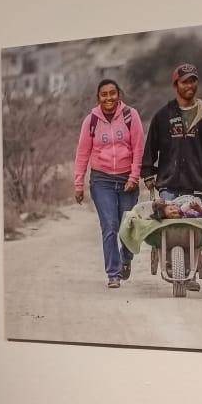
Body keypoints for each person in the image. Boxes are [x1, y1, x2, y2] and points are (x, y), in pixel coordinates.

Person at [141, 63, 202, 290]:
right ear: (176, 85)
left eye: (193, 81)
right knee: (170, 228)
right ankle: (171, 263)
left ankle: (190, 273)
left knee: (194, 229)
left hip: (196, 183)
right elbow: (150, 147)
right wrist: (148, 172)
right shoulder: (163, 116)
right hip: (168, 183)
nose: (190, 85)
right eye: (185, 82)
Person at [73, 79, 145, 288]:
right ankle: (113, 273)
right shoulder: (91, 121)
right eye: (104, 94)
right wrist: (78, 184)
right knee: (110, 226)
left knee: (127, 226)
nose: (108, 98)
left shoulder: (131, 116)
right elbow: (82, 153)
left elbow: (138, 148)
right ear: (98, 98)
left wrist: (134, 177)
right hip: (101, 180)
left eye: (112, 93)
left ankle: (126, 259)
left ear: (118, 95)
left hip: (126, 179)